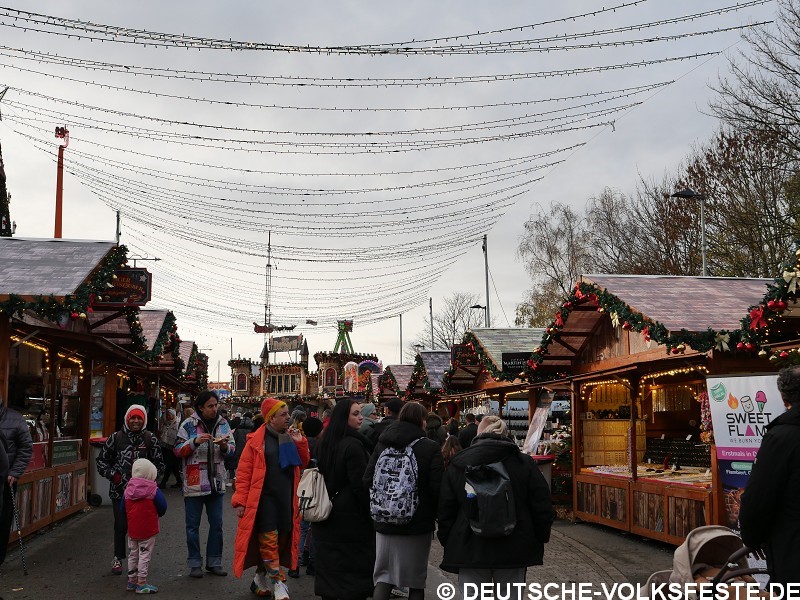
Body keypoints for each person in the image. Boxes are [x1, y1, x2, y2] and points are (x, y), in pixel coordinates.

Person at [438, 416, 554, 600]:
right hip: (514, 546)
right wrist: (539, 536)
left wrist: (448, 540)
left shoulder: (459, 464)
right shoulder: (524, 463)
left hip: (470, 546)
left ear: (478, 434)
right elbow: (542, 505)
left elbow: (446, 510)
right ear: (505, 435)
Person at [364, 401, 444, 600]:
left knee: (384, 577)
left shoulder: (383, 443)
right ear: (422, 421)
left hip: (384, 521)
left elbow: (367, 478)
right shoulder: (430, 447)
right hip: (417, 523)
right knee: (415, 580)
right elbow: (436, 488)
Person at [232, 398, 309, 599]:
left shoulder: (289, 436)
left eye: (288, 413)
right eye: (283, 414)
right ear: (271, 418)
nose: (288, 417)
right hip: (264, 501)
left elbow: (303, 462)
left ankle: (259, 578)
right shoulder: (256, 441)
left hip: (286, 499)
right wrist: (239, 501)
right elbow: (244, 473)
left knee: (280, 542)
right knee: (268, 542)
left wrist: (300, 442)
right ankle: (279, 583)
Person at [739, 365, 800, 585]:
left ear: (784, 398)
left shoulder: (781, 438)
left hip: (792, 549)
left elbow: (759, 496)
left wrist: (752, 537)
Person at [313, 398, 376, 600]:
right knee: (352, 574)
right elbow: (360, 486)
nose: (360, 418)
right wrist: (369, 513)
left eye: (360, 413)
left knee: (330, 570)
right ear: (343, 417)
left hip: (325, 511)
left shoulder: (324, 443)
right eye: (355, 414)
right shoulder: (354, 446)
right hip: (350, 518)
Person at [97, 404, 164, 575]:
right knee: (121, 525)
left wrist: (150, 482)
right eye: (132, 418)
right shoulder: (116, 438)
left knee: (141, 528)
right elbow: (102, 461)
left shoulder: (150, 439)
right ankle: (118, 557)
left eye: (139, 418)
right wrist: (114, 476)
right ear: (127, 419)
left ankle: (139, 562)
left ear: (144, 420)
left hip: (144, 495)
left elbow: (159, 465)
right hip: (120, 492)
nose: (135, 421)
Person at [174, 390, 235, 578]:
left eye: (216, 405)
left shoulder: (223, 424)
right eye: (210, 406)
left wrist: (224, 446)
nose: (214, 409)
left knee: (217, 525)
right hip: (194, 484)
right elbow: (177, 450)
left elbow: (232, 449)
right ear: (201, 407)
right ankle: (195, 563)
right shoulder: (188, 425)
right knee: (192, 526)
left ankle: (214, 562)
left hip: (216, 482)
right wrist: (194, 442)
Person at [122, 458, 167, 594]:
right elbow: (163, 507)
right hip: (148, 529)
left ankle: (131, 581)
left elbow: (122, 510)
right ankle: (141, 583)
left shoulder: (127, 491)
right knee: (144, 555)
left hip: (133, 529)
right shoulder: (153, 490)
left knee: (133, 554)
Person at [0, 396, 31, 568]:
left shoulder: (15, 418)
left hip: (6, 480)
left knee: (3, 519)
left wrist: (15, 472)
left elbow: (26, 447)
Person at [298, 416, 323, 576]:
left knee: (302, 526)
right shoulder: (322, 445)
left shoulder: (301, 443)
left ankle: (298, 560)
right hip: (317, 486)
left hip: (302, 486)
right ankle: (313, 563)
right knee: (314, 526)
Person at [157, 408, 181, 489]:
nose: (168, 416)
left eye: (170, 415)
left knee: (170, 465)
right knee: (173, 466)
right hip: (166, 447)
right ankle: (179, 482)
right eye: (167, 415)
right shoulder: (166, 423)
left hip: (174, 447)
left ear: (173, 415)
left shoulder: (177, 424)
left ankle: (164, 482)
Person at [231, 411, 256, 485]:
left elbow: (234, 439)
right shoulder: (253, 428)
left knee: (240, 465)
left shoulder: (238, 428)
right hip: (249, 449)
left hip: (239, 449)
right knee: (249, 466)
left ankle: (239, 480)